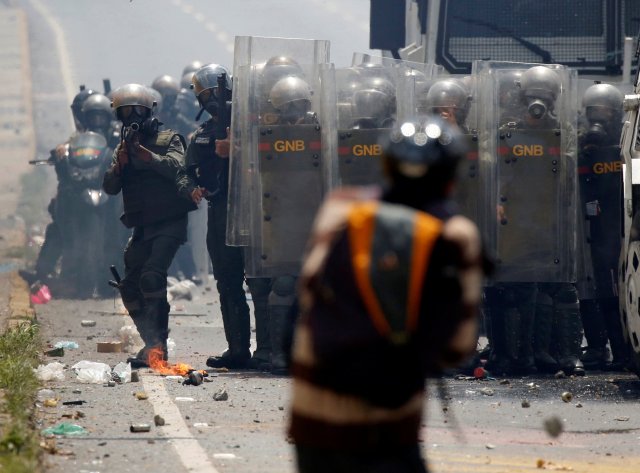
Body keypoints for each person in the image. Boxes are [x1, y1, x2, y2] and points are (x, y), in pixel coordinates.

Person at [289, 117, 485, 473]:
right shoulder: (456, 235)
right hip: (391, 426)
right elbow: (457, 348)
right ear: (451, 176)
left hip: (312, 422)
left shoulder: (340, 207)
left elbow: (306, 294)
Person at [177, 64, 271, 370]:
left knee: (260, 282)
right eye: (208, 96)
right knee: (228, 284)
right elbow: (187, 171)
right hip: (220, 214)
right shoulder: (203, 135)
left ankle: (268, 350)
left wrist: (237, 149)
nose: (215, 100)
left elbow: (270, 161)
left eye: (218, 93)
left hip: (254, 211)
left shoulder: (254, 126)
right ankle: (238, 350)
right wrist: (192, 189)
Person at [103, 83, 196, 368]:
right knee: (129, 287)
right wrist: (119, 166)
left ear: (150, 112)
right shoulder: (123, 148)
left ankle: (159, 348)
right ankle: (151, 344)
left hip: (169, 222)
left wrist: (149, 158)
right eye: (125, 112)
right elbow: (108, 187)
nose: (132, 117)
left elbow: (179, 169)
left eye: (137, 111)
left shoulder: (170, 139)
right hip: (142, 225)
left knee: (152, 278)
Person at [577, 83, 629, 370]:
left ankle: (625, 349)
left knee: (621, 292)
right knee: (603, 293)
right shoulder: (583, 147)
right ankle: (608, 348)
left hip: (624, 228)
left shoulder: (628, 144)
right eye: (593, 112)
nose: (598, 118)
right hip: (596, 231)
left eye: (605, 113)